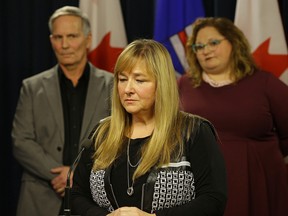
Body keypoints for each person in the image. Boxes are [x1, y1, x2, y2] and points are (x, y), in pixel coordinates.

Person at [71, 39, 227, 216]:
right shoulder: (102, 133)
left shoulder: (193, 131)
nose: (127, 89)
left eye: (139, 80)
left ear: (161, 84)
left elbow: (213, 200)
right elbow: (77, 194)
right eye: (122, 79)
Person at [178, 17, 288, 216]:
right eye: (199, 45)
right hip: (200, 183)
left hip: (259, 182)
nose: (205, 50)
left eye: (213, 42)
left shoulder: (264, 83)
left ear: (234, 42)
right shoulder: (183, 85)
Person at [11, 6, 113, 216]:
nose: (65, 45)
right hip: (41, 198)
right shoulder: (32, 87)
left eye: (72, 36)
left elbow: (117, 138)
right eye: (58, 37)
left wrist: (79, 174)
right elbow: (21, 140)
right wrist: (63, 175)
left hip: (94, 199)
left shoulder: (112, 85)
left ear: (88, 39)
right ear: (51, 41)